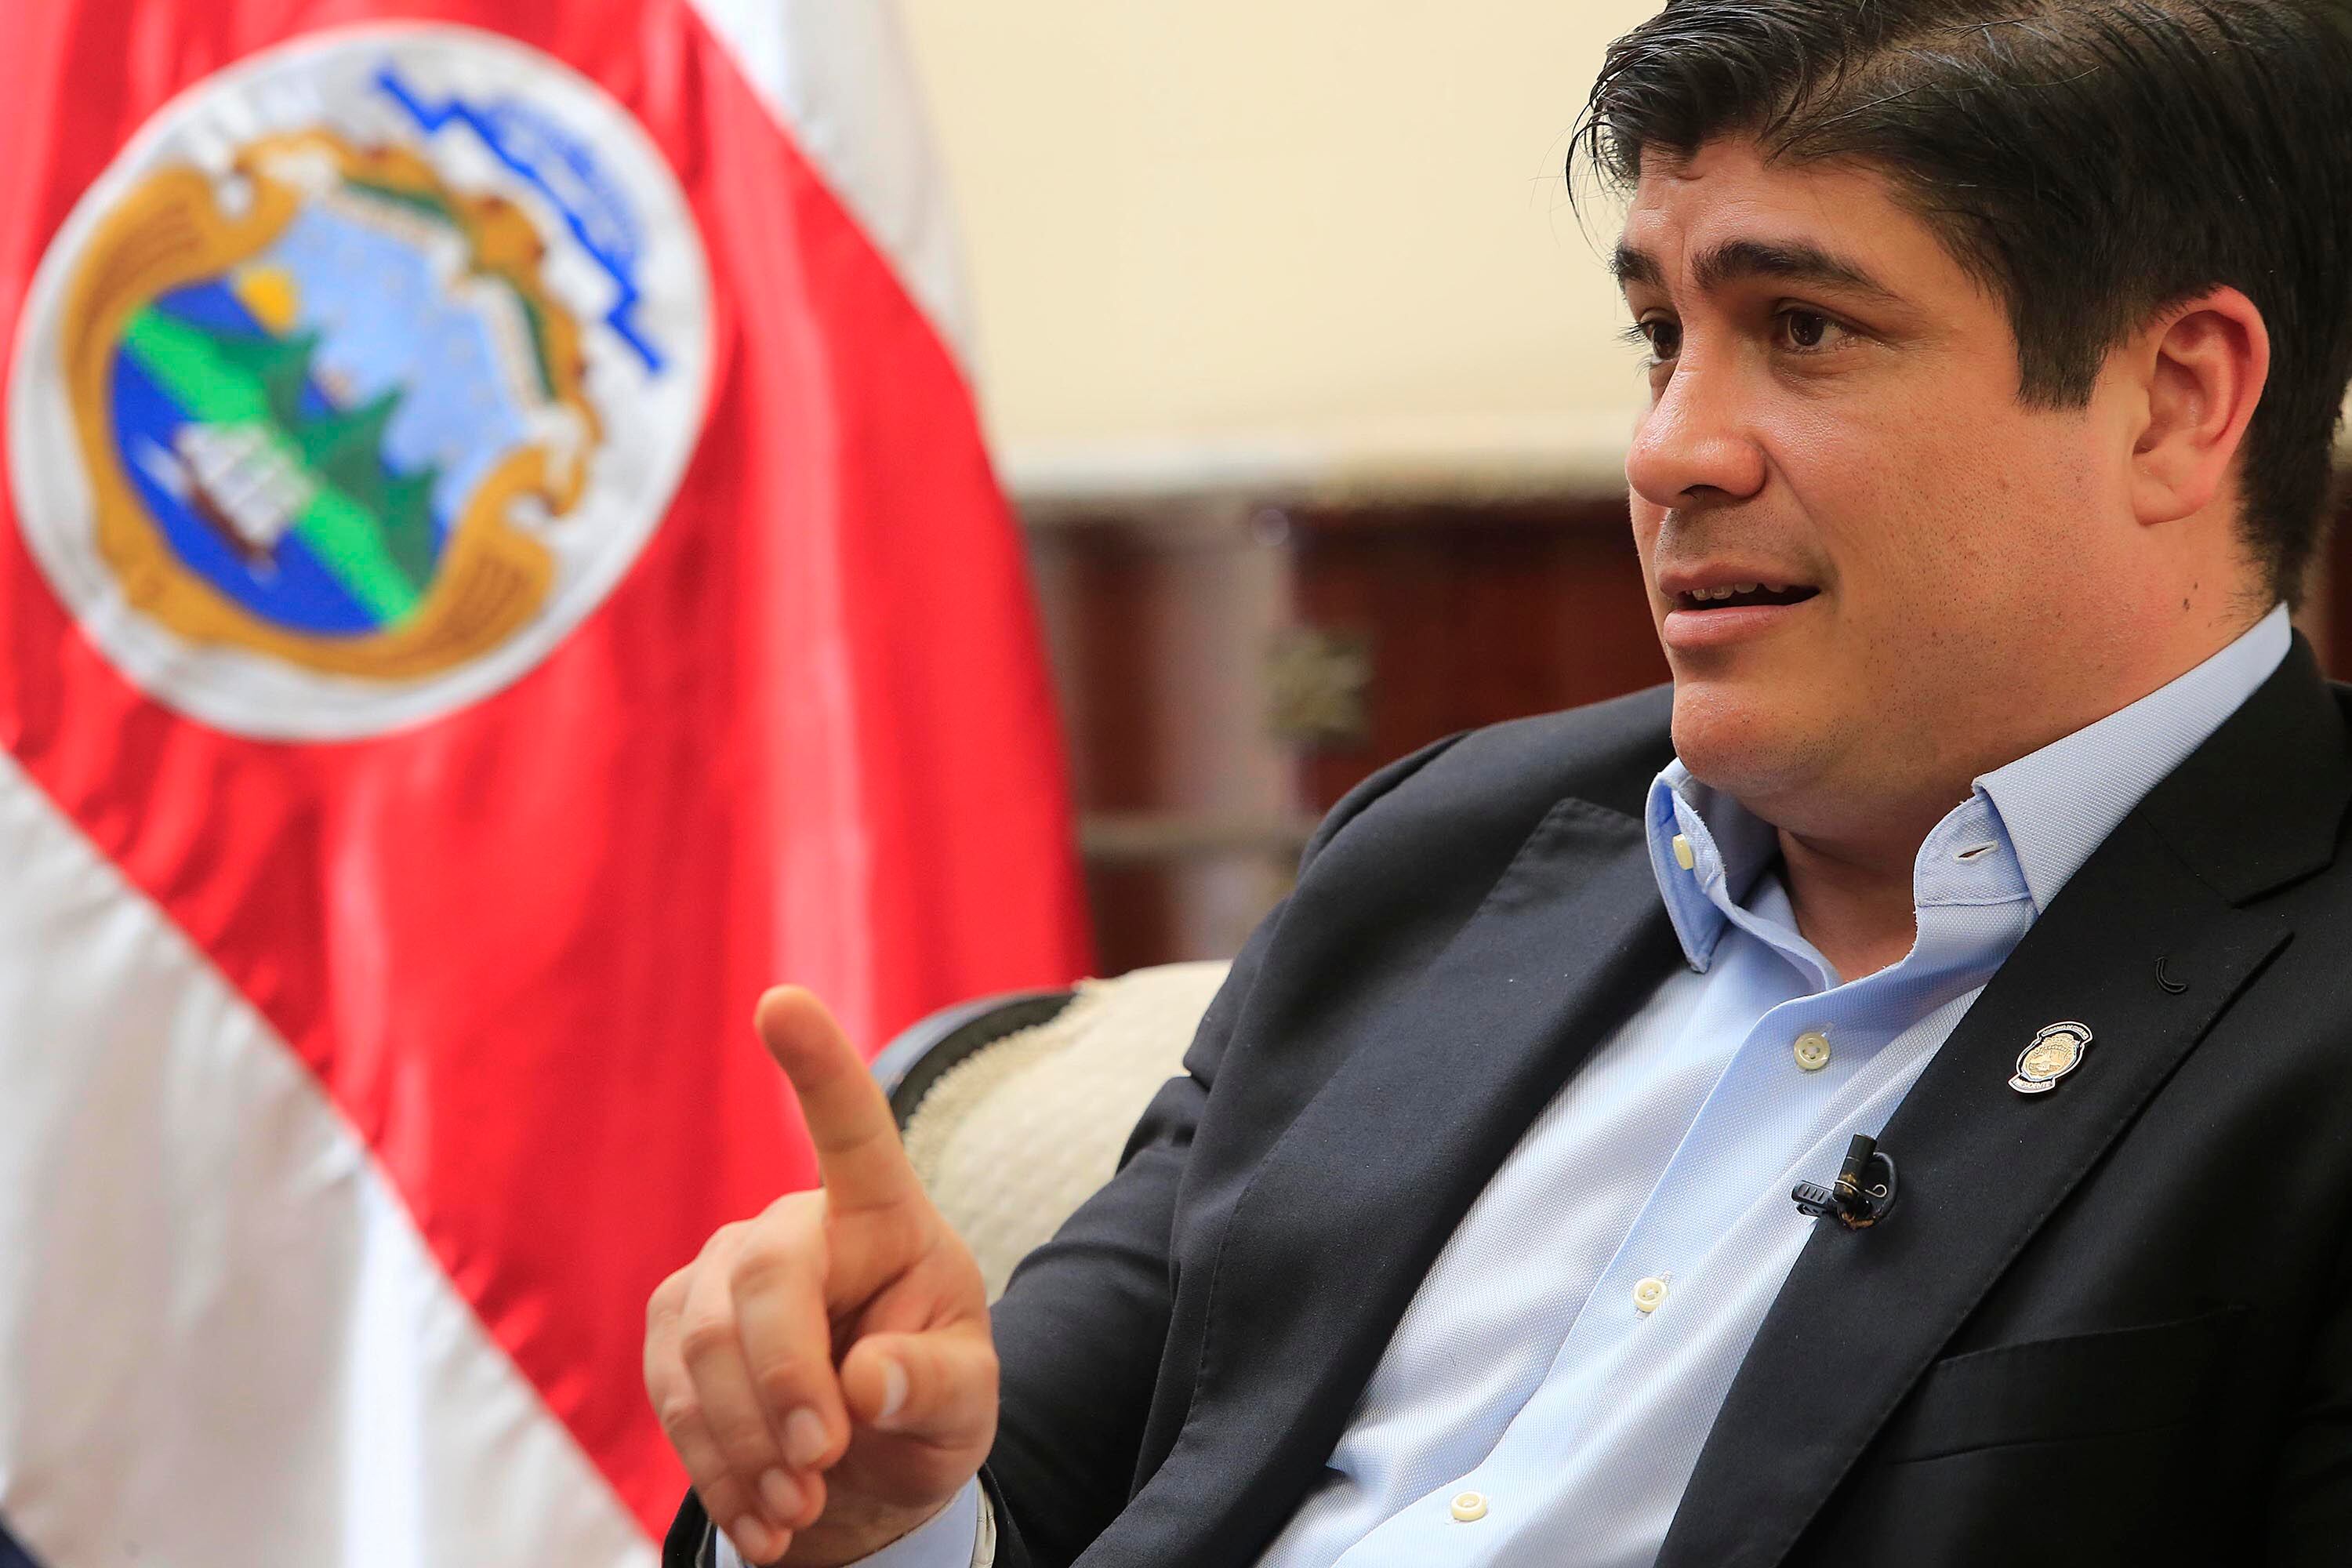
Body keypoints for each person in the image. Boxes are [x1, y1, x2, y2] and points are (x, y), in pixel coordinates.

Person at [643, 2, 2352, 1563]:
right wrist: (878, 1506)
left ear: (2175, 402)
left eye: (1807, 328)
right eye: (1660, 334)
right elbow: (1014, 1476)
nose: (1670, 448)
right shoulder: (1449, 857)